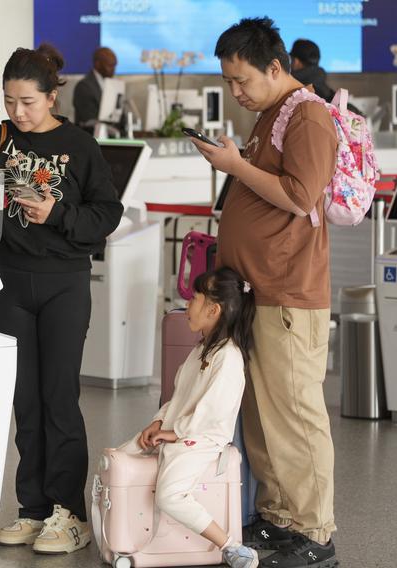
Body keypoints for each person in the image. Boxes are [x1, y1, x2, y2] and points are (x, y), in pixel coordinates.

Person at [0, 44, 123, 555]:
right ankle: (32, 508)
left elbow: (106, 215)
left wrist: (56, 215)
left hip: (64, 283)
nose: (18, 111)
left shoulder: (80, 144)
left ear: (52, 96)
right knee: (23, 401)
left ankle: (68, 512)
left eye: (28, 101)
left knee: (58, 399)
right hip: (10, 281)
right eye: (9, 100)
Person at [189, 17, 338, 567]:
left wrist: (235, 166)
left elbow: (301, 196)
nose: (235, 92)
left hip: (289, 294)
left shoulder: (310, 117)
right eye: (228, 82)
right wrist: (237, 160)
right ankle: (280, 518)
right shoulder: (270, 115)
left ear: (275, 67)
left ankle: (316, 533)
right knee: (262, 416)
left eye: (241, 80)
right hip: (257, 294)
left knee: (295, 416)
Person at [125, 267, 258, 568]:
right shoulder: (203, 348)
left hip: (203, 440)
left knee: (170, 495)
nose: (187, 304)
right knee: (124, 456)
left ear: (214, 309)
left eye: (195, 298)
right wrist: (160, 422)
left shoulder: (229, 357)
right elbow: (180, 396)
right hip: (183, 431)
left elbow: (213, 411)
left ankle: (231, 547)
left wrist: (175, 432)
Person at [73, 46, 117, 127]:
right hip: (90, 136)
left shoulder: (114, 86)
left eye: (114, 65)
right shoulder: (84, 87)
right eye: (110, 65)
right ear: (98, 64)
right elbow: (88, 119)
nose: (113, 69)